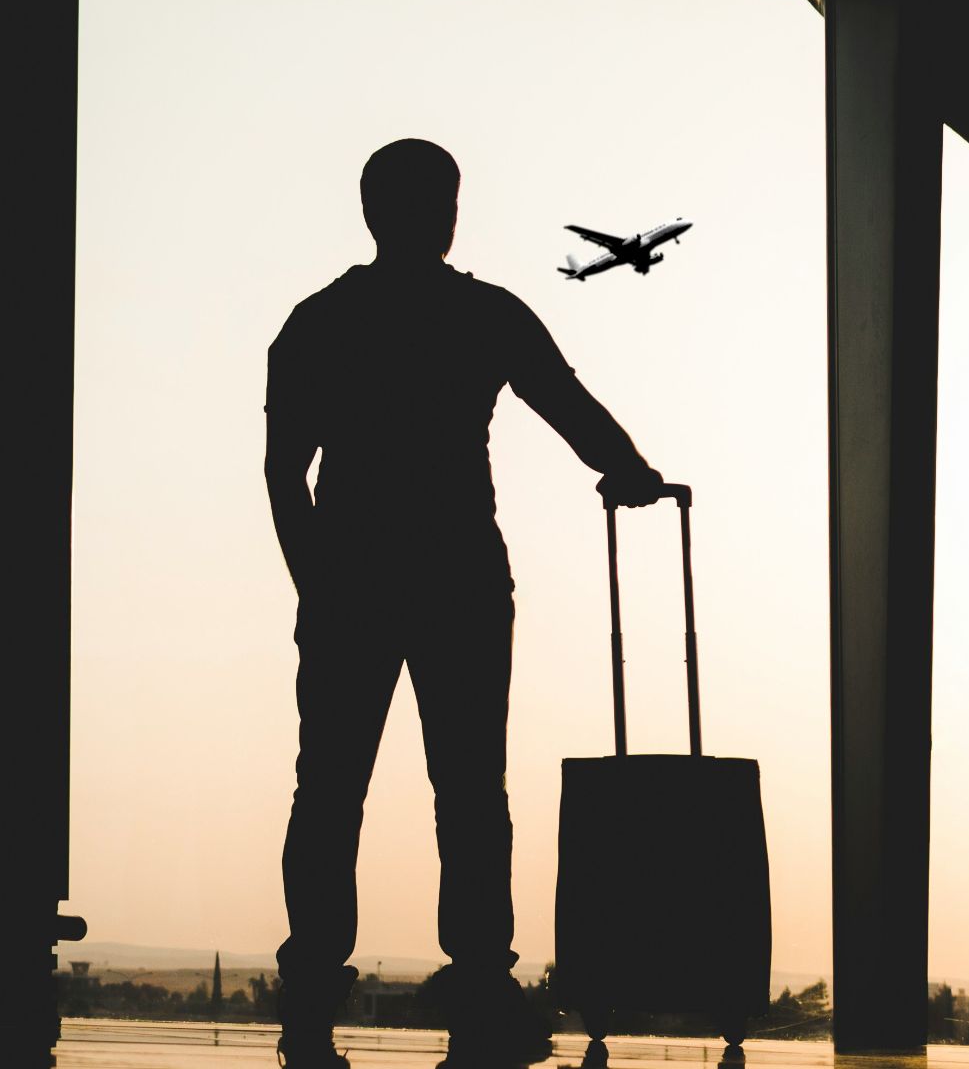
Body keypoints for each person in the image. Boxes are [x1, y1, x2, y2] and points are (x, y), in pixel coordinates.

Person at [263, 138, 667, 1066]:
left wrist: (315, 584)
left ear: (370, 214)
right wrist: (632, 472)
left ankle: (313, 1000)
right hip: (460, 580)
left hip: (353, 581)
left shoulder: (319, 323)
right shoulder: (482, 315)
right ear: (447, 213)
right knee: (472, 798)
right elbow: (566, 404)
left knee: (328, 794)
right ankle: (481, 989)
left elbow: (287, 472)